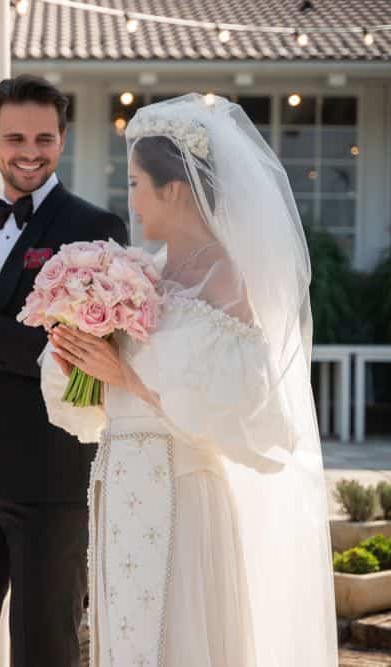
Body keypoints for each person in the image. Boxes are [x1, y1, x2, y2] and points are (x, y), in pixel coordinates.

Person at [44, 94, 337, 666]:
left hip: (183, 489)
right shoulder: (134, 275)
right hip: (120, 486)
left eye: (135, 183)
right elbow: (92, 407)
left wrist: (123, 374)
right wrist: (77, 363)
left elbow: (248, 407)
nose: (129, 199)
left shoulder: (230, 279)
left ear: (174, 189)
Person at [0, 74, 127, 667]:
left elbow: (90, 356)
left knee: (45, 650)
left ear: (61, 141)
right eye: (14, 137)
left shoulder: (95, 230)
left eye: (43, 137)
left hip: (51, 474)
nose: (29, 151)